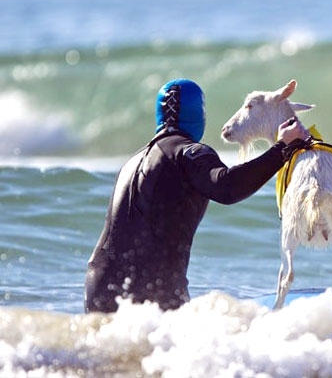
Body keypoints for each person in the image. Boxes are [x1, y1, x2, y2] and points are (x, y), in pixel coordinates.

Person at [84, 78, 310, 313]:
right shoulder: (189, 152)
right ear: (198, 114)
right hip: (148, 290)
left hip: (98, 285)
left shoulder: (131, 163)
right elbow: (227, 186)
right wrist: (283, 148)